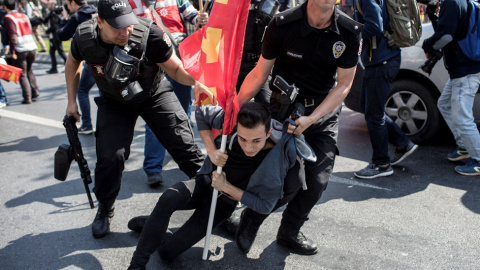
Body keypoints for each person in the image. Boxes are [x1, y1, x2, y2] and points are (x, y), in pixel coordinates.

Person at [64, 0, 213, 238]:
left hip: (153, 93)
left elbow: (175, 69)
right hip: (114, 100)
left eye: (128, 25)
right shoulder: (84, 37)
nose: (125, 32)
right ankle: (105, 208)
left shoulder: (149, 33)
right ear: (99, 22)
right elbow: (72, 63)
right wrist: (72, 101)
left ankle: (216, 201)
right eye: (117, 27)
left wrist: (196, 82)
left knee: (184, 146)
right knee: (111, 157)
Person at [237, 0, 361, 255]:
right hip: (285, 111)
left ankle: (289, 232)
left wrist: (313, 118)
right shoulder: (282, 24)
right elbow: (260, 73)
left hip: (322, 113)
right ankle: (252, 218)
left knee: (317, 182)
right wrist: (233, 108)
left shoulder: (349, 31)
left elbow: (344, 85)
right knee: (285, 181)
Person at [127, 102, 310, 267]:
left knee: (167, 253)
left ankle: (155, 227)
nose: (248, 147)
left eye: (256, 141)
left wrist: (227, 188)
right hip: (204, 184)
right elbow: (201, 113)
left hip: (221, 205)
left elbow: (265, 205)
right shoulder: (230, 122)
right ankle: (137, 263)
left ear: (268, 132)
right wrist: (211, 150)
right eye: (242, 139)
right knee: (169, 196)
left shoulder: (277, 160)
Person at [129, 0, 209, 186]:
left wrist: (201, 17)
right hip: (151, 64)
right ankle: (153, 168)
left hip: (179, 61)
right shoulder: (131, 2)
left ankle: (188, 161)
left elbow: (193, 16)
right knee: (155, 117)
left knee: (183, 114)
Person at [353, 0, 418, 179]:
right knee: (367, 106)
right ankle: (402, 143)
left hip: (381, 61)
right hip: (382, 59)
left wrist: (350, 29)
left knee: (374, 114)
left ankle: (381, 163)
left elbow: (374, 26)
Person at [422, 0, 480, 175]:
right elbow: (445, 31)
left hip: (466, 70)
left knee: (462, 117)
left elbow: (445, 37)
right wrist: (432, 15)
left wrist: (426, 45)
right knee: (444, 104)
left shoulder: (452, 2)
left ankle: (478, 158)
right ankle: (464, 146)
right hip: (463, 68)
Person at [58, 0, 97, 134]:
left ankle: (86, 124)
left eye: (67, 5)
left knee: (81, 90)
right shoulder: (95, 11)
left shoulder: (77, 16)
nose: (67, 8)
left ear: (73, 2)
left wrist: (64, 18)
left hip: (92, 58)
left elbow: (62, 34)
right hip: (107, 56)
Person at [3, 0, 39, 104]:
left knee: (22, 73)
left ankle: (27, 97)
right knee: (29, 70)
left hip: (21, 47)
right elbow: (31, 30)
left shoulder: (9, 17)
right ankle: (35, 90)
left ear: (5, 7)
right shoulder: (23, 15)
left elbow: (12, 35)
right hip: (31, 46)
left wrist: (12, 51)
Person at [44, 0, 67, 74]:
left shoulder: (54, 13)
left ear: (53, 5)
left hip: (56, 36)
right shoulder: (52, 13)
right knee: (52, 52)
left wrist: (47, 31)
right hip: (53, 36)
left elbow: (54, 26)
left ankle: (68, 65)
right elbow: (45, 21)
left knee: (60, 51)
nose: (47, 5)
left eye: (49, 4)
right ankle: (54, 68)